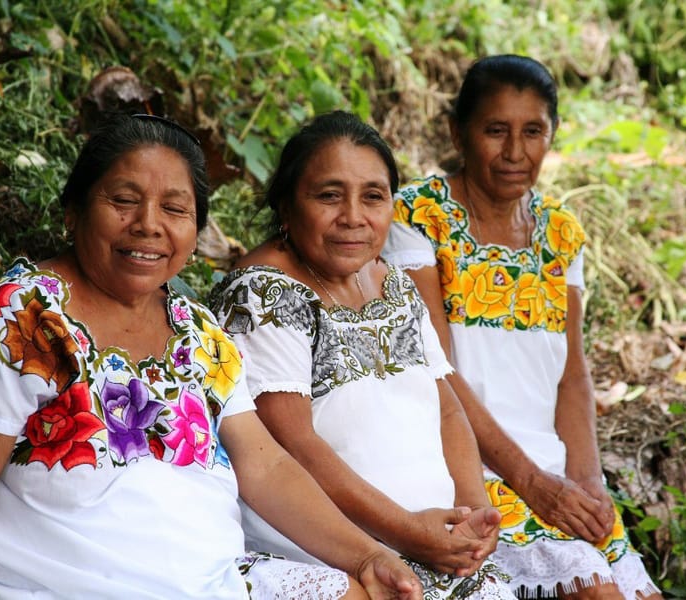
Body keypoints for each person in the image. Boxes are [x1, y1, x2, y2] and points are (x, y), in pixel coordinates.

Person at [0, 113, 424, 599]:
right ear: (72, 210)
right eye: (123, 200)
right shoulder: (12, 319)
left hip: (211, 583)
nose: (148, 225)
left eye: (175, 209)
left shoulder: (197, 331)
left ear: (196, 229)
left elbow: (265, 467)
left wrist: (364, 557)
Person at [382, 55, 663, 600]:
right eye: (496, 130)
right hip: (471, 474)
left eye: (533, 131)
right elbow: (435, 370)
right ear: (457, 132)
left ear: (552, 135)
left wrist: (588, 485)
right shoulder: (418, 218)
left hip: (557, 476)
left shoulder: (562, 233)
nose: (515, 152)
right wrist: (533, 483)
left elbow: (573, 378)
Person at [209, 111, 515, 599]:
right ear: (286, 206)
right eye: (329, 196)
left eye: (373, 196)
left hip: (429, 544)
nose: (353, 216)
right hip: (333, 555)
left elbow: (448, 407)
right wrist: (408, 533)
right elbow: (295, 446)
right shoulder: (265, 294)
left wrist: (474, 514)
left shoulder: (393, 282)